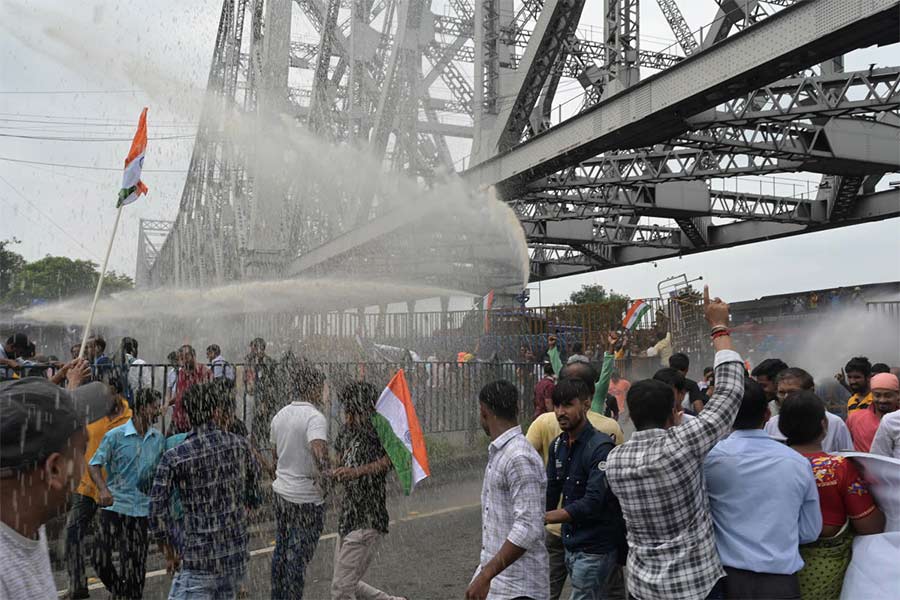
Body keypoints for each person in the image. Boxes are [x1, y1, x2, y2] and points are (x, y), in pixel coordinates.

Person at [606, 286, 745, 600]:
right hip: (695, 584)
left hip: (642, 586)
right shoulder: (684, 444)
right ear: (675, 411)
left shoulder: (615, 461)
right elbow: (730, 393)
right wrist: (719, 327)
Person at [703, 379, 821, 599]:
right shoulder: (796, 462)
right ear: (767, 414)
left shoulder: (709, 460)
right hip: (780, 583)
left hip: (726, 581)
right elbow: (810, 531)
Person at [0, 368, 109, 599]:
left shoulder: (26, 516)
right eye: (82, 450)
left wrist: (71, 386)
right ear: (55, 469)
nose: (86, 461)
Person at [148, 382, 261, 599]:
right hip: (234, 557)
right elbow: (254, 490)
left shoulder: (176, 456)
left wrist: (169, 551)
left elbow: (155, 512)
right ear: (216, 411)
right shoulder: (240, 446)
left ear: (187, 415)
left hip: (198, 560)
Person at [526, 360, 624, 600]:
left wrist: (546, 516)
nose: (561, 412)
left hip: (595, 546)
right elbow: (551, 491)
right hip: (570, 542)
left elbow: (593, 501)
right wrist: (528, 512)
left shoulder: (601, 447)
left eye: (568, 405)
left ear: (587, 403)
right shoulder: (558, 444)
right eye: (557, 405)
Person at [779, 391, 886, 598]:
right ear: (824, 424)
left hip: (774, 569)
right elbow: (870, 526)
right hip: (825, 570)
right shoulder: (837, 467)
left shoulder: (770, 463)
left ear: (782, 426)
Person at [467, 380, 548, 600]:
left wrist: (485, 576)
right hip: (499, 584)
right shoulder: (501, 452)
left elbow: (528, 526)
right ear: (518, 408)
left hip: (520, 589)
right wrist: (483, 573)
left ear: (484, 412)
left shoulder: (518, 457)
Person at [88, 388, 166, 599]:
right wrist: (103, 489)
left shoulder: (158, 439)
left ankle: (129, 594)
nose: (158, 410)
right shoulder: (115, 436)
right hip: (115, 506)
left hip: (141, 510)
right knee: (99, 556)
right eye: (154, 406)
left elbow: (161, 472)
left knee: (135, 565)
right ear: (141, 408)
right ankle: (121, 591)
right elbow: (94, 464)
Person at [330, 382, 404, 600]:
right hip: (348, 516)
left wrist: (358, 472)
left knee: (342, 589)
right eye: (346, 411)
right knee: (345, 582)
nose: (348, 417)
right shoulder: (346, 431)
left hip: (369, 517)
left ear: (364, 408)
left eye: (351, 411)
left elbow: (394, 459)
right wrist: (335, 471)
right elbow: (341, 459)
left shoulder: (379, 428)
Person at [65, 377, 133, 599]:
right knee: (72, 534)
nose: (105, 397)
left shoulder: (129, 420)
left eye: (110, 393)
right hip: (86, 485)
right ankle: (77, 585)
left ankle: (120, 588)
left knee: (116, 544)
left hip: (113, 490)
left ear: (119, 395)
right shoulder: (91, 412)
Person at [269, 362, 330, 599]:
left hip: (282, 494)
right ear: (313, 388)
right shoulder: (315, 418)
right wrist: (326, 476)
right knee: (297, 558)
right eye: (322, 388)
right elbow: (318, 450)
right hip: (306, 499)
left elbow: (275, 458)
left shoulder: (279, 416)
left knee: (282, 551)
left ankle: (278, 595)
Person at [763, 367, 853, 452]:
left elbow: (848, 459)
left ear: (811, 391)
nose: (786, 397)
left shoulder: (834, 423)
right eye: (781, 393)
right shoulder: (772, 424)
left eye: (792, 392)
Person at [846, 372, 900, 452]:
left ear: (898, 395)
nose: (882, 400)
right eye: (877, 395)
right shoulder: (855, 418)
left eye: (888, 396)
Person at [246, 337, 279, 448]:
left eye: (255, 348)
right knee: (251, 421)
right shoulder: (249, 360)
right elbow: (246, 376)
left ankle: (265, 444)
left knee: (262, 421)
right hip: (252, 396)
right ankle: (254, 445)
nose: (253, 350)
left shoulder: (269, 363)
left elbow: (271, 383)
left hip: (264, 398)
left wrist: (265, 400)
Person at [170, 345, 211, 434]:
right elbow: (179, 394)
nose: (184, 361)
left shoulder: (205, 372)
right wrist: (166, 404)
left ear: (194, 356)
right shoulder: (181, 373)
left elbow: (209, 396)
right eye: (181, 358)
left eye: (186, 357)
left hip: (195, 420)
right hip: (178, 418)